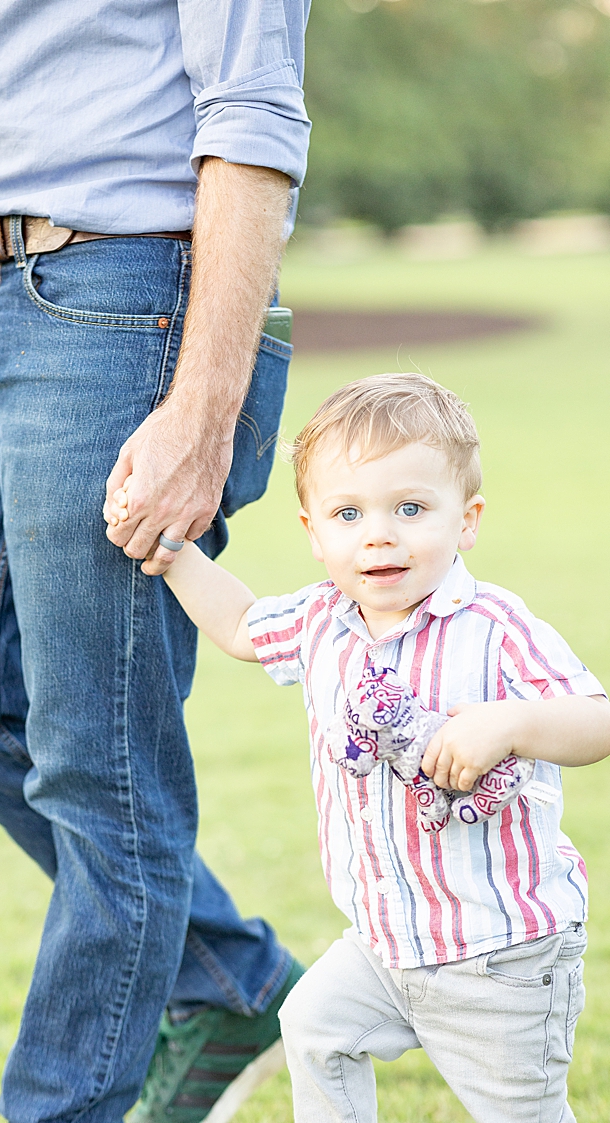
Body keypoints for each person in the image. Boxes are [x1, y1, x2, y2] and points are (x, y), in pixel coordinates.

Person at [0, 2, 311, 1119]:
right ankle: (225, 978)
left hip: (119, 307)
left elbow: (251, 106)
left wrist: (203, 413)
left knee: (102, 760)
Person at [122, 373, 604, 1122]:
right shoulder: (322, 621)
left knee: (521, 1114)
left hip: (499, 954)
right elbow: (243, 625)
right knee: (312, 1026)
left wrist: (507, 723)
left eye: (410, 508)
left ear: (467, 520)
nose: (379, 534)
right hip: (382, 943)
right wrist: (175, 553)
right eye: (349, 513)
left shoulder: (494, 626)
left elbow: (595, 719)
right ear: (314, 532)